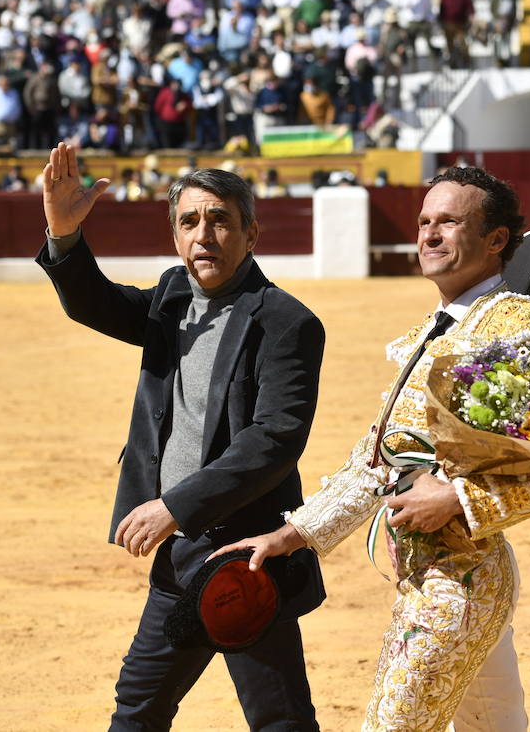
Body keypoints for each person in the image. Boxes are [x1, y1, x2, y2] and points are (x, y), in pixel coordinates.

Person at [215, 166, 530, 730]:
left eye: (449, 222)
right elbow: (376, 463)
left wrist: (459, 498)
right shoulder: (428, 333)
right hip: (430, 576)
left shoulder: (526, 327)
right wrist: (290, 535)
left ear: (496, 239)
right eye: (424, 223)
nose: (429, 235)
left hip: (457, 587)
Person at [37, 148, 326, 731]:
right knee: (138, 707)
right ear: (174, 236)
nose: (204, 235)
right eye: (189, 222)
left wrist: (174, 505)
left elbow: (274, 441)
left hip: (248, 555)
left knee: (278, 718)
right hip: (178, 555)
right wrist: (64, 235)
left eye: (219, 219)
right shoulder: (172, 298)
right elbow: (95, 303)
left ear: (251, 232)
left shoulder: (287, 322)